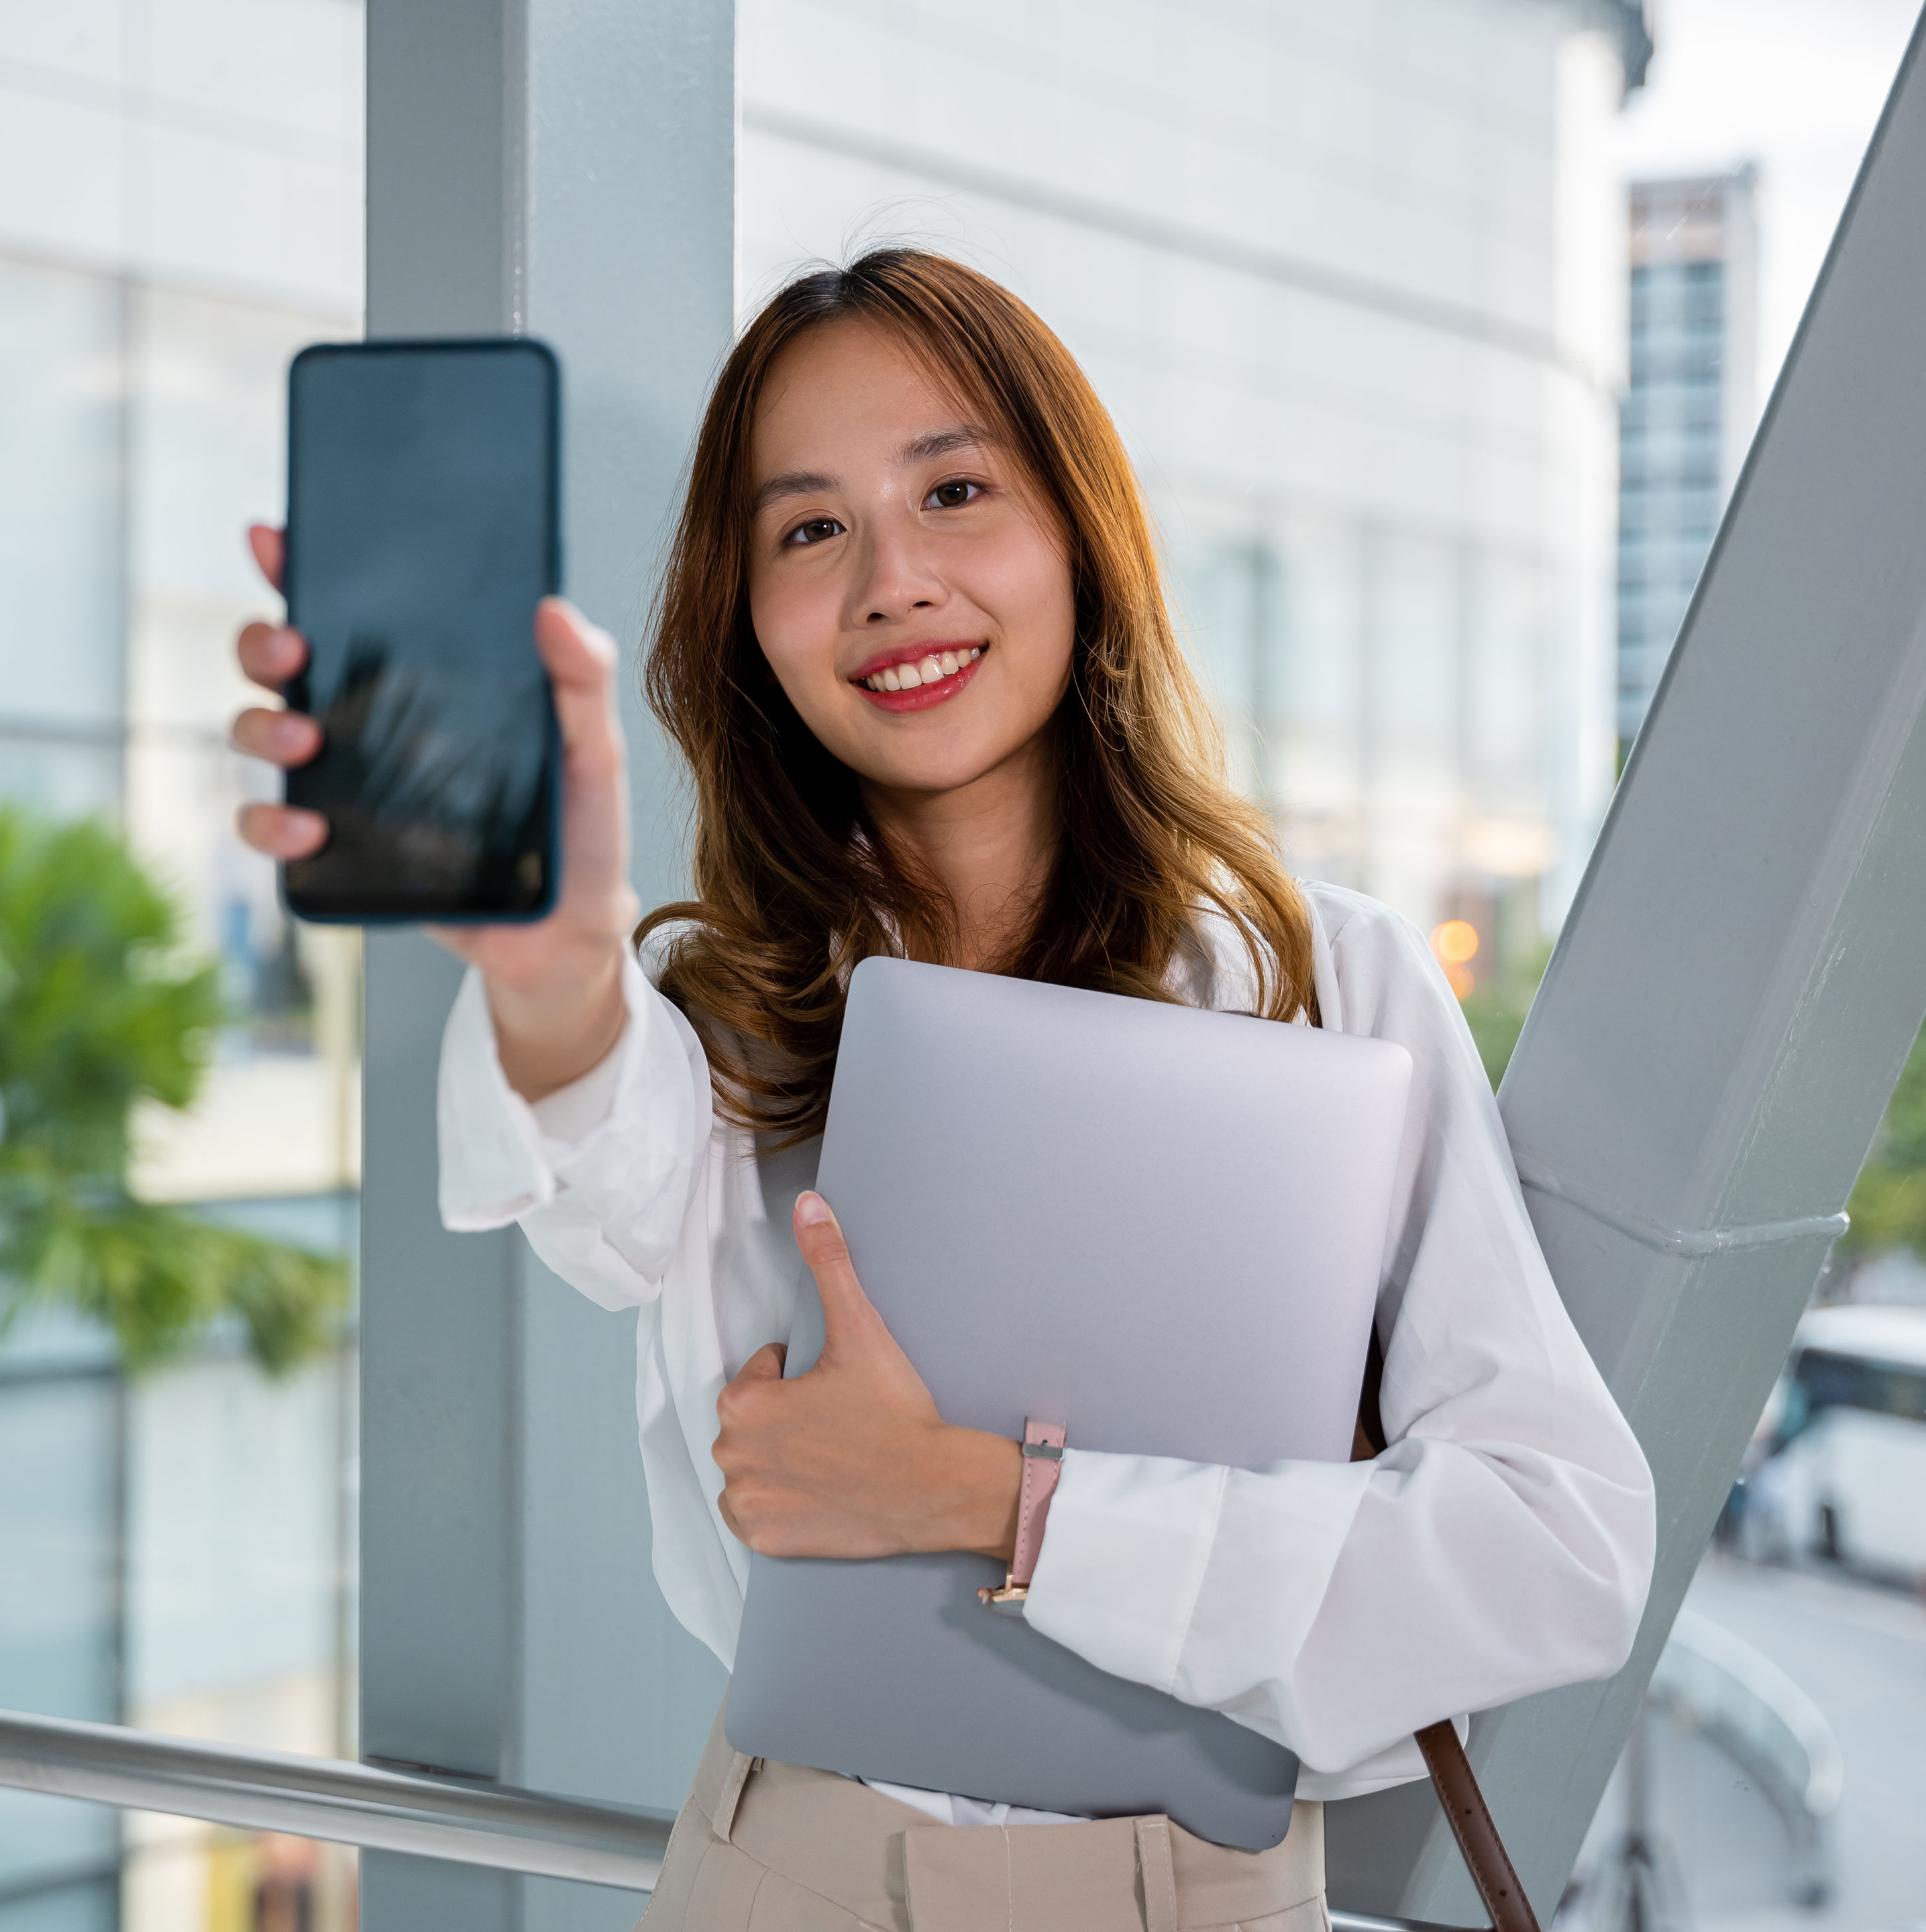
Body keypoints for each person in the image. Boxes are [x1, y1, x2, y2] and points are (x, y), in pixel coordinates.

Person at [229, 250, 1656, 1932]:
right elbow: (602, 1173)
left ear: (1078, 532)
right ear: (747, 617)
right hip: (783, 1873)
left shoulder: (1319, 985)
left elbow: (1558, 1549)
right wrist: (549, 976)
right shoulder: (720, 1025)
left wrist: (997, 1503)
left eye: (956, 490)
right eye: (809, 528)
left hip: (1195, 1893)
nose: (892, 581)